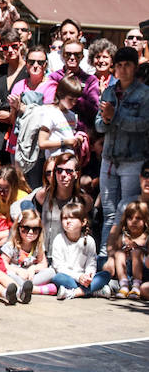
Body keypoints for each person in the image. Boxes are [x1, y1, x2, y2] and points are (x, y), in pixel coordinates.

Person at [95, 46, 149, 256]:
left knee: (127, 212)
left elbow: (144, 124)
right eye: (119, 65)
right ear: (114, 68)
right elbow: (98, 125)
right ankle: (104, 258)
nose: (123, 69)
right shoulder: (109, 90)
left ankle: (125, 261)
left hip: (132, 160)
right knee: (108, 212)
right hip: (109, 158)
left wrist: (114, 116)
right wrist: (107, 119)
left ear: (135, 67)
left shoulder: (145, 94)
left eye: (127, 65)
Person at [51, 202, 111, 299]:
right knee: (57, 278)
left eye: (72, 218)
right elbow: (59, 267)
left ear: (83, 222)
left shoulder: (89, 241)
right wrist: (78, 277)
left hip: (84, 279)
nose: (68, 221)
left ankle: (74, 293)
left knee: (105, 275)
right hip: (69, 277)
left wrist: (88, 276)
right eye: (65, 218)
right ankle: (93, 291)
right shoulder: (59, 239)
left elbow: (91, 264)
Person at [1, 210, 56, 297]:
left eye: (35, 230)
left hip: (31, 277)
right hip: (16, 275)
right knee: (7, 274)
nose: (30, 232)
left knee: (51, 271)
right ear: (19, 228)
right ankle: (36, 290)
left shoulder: (38, 245)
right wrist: (18, 271)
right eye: (26, 229)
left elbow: (43, 264)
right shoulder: (11, 245)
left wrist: (33, 268)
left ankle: (26, 288)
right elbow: (3, 264)